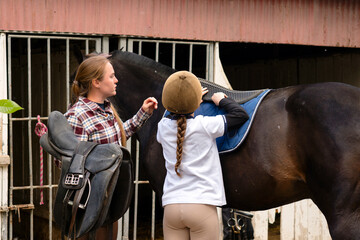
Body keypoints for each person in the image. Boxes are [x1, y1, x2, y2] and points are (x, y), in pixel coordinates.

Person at [64, 54, 158, 239]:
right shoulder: (77, 116)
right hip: (88, 204)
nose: (116, 80)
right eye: (111, 76)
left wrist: (143, 113)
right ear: (96, 82)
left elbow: (118, 137)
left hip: (108, 199)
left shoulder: (106, 109)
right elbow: (69, 163)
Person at [156, 71, 249, 240]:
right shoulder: (205, 125)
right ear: (196, 102)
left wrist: (188, 99)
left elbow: (173, 112)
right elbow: (240, 115)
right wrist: (222, 99)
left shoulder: (162, 127)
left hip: (171, 207)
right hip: (201, 206)